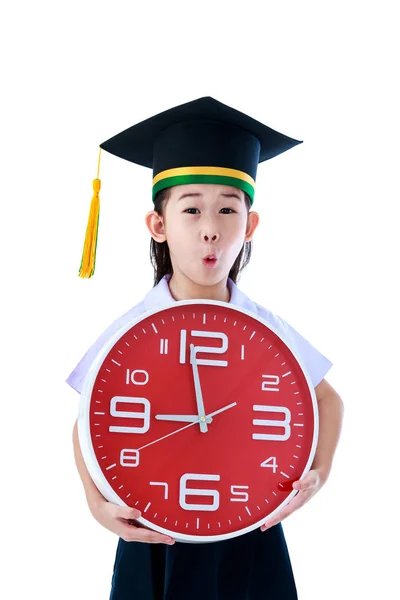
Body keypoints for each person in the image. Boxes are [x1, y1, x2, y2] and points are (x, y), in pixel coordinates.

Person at [66, 97, 344, 599]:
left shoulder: (265, 329)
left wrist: (318, 473)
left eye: (227, 209)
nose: (210, 227)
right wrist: (95, 503)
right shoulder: (135, 330)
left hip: (248, 525)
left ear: (250, 225)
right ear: (159, 225)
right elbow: (87, 420)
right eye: (191, 209)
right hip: (157, 531)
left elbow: (328, 397)